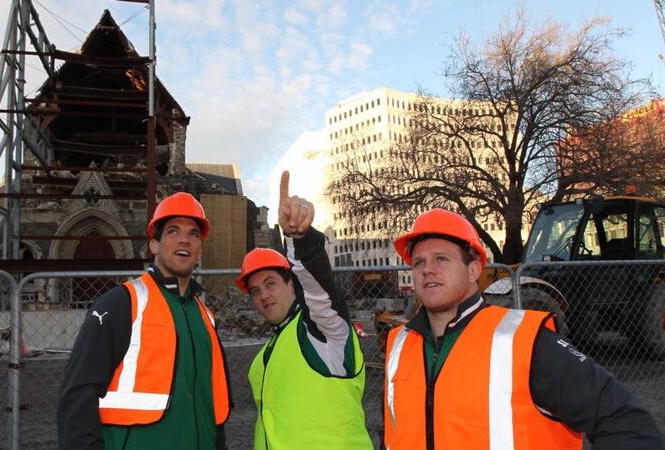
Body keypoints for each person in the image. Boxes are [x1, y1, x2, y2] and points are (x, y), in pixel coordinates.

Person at [383, 208, 665, 450]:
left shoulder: (521, 341)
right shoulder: (399, 345)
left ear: (473, 270)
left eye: (441, 259)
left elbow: (627, 422)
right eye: (418, 262)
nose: (427, 269)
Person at [57, 192, 231, 450]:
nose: (185, 239)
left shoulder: (205, 317)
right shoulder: (121, 303)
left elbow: (213, 404)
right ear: (154, 245)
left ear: (198, 248)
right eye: (173, 231)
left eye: (194, 233)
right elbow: (77, 397)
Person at [239, 171, 373, 450]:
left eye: (270, 283)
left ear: (292, 284)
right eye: (255, 291)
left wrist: (299, 240)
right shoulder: (263, 359)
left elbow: (319, 293)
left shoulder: (322, 332)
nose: (263, 295)